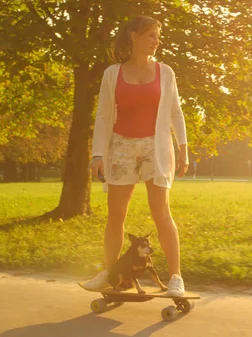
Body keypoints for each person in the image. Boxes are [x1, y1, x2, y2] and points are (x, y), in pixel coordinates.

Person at [81, 15, 189, 297]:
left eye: (157, 35)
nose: (156, 40)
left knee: (160, 211)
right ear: (134, 36)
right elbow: (103, 117)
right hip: (121, 148)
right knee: (116, 215)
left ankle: (176, 277)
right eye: (151, 35)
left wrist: (183, 147)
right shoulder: (112, 74)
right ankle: (108, 272)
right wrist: (97, 155)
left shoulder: (165, 72)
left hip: (156, 147)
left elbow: (176, 112)